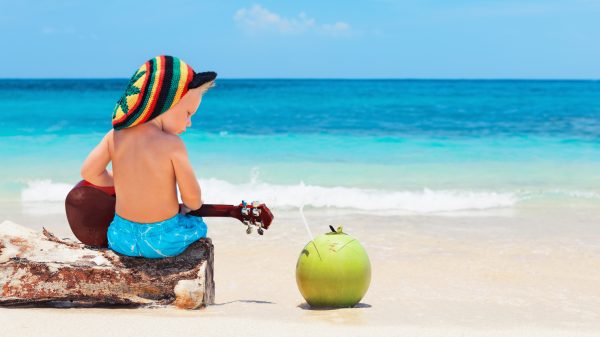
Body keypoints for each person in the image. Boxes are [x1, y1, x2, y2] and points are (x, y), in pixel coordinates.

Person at [79, 55, 216, 258]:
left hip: (121, 239)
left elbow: (89, 172)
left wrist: (119, 183)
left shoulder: (114, 136)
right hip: (161, 242)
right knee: (197, 225)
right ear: (165, 104)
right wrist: (188, 207)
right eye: (188, 113)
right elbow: (193, 200)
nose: (189, 123)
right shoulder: (173, 145)